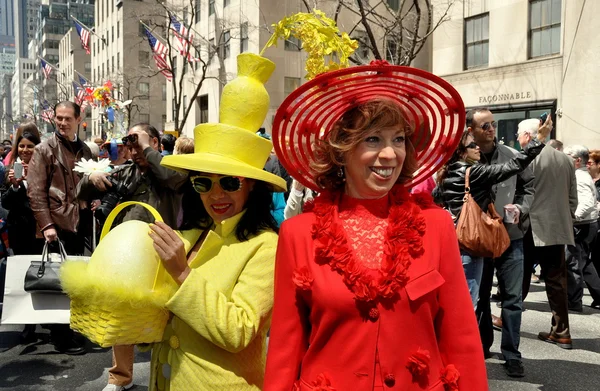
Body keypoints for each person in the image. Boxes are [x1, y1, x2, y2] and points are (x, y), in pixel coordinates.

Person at [265, 62, 487, 390]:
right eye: (372, 139)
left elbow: (461, 336)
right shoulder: (298, 233)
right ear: (342, 149)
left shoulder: (436, 225)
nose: (390, 153)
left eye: (398, 139)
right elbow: (286, 345)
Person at [144, 52, 286, 390]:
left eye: (230, 181)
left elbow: (239, 330)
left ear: (253, 185)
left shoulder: (266, 246)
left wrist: (181, 272)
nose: (216, 194)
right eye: (203, 182)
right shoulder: (192, 233)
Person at [78, 124, 188, 391]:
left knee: (167, 314)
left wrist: (147, 150)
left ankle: (170, 373)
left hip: (163, 252)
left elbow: (175, 179)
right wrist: (89, 179)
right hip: (128, 257)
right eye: (130, 141)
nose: (133, 147)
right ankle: (120, 376)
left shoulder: (169, 166)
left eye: (138, 140)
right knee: (122, 312)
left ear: (154, 141)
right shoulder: (127, 172)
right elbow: (81, 193)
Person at [467, 109, 547, 377]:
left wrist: (521, 208)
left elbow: (529, 186)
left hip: (510, 237)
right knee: (479, 298)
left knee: (512, 299)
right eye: (485, 125)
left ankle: (512, 353)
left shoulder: (512, 155)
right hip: (478, 239)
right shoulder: (467, 160)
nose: (491, 128)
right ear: (472, 130)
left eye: (494, 124)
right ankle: (482, 345)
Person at [433, 130, 544, 310]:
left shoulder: (447, 172)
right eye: (471, 145)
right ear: (461, 152)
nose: (477, 147)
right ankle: (466, 337)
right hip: (471, 242)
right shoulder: (473, 171)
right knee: (469, 303)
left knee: (455, 299)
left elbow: (436, 198)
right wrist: (538, 140)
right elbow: (512, 166)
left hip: (453, 241)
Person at [26, 101, 93, 355]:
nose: (62, 122)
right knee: (58, 282)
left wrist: (94, 197)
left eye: (67, 118)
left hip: (79, 224)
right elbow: (35, 191)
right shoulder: (44, 149)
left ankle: (72, 328)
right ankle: (60, 335)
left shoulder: (85, 149)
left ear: (79, 119)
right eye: (58, 118)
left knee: (75, 283)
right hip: (56, 225)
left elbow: (86, 184)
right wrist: (46, 225)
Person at [519, 119, 578, 350]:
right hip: (555, 226)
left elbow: (521, 193)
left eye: (518, 134)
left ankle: (508, 319)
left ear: (527, 135)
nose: (517, 138)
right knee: (556, 281)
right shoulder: (565, 160)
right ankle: (562, 331)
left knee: (517, 277)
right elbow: (572, 199)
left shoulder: (527, 157)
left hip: (529, 226)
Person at [0, 124, 44, 344]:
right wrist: (15, 186)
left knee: (40, 276)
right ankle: (28, 325)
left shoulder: (43, 169)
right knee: (22, 278)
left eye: (30, 146)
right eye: (22, 146)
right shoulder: (11, 171)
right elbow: (5, 203)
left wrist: (31, 180)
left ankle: (44, 318)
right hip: (19, 231)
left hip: (39, 230)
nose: (26, 150)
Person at [563, 145, 600, 311]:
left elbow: (587, 203)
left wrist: (573, 217)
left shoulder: (579, 177)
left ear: (577, 160)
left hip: (581, 226)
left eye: (568, 156)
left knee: (573, 263)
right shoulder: (582, 175)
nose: (564, 159)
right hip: (587, 225)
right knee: (583, 262)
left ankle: (574, 301)